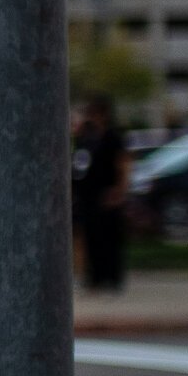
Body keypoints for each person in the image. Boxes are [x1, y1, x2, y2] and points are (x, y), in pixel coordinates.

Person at [72, 96, 129, 291]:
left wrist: (120, 190)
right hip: (88, 194)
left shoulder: (112, 137)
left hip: (107, 193)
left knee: (109, 237)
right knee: (91, 236)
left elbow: (123, 163)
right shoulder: (87, 137)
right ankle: (94, 277)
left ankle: (112, 278)